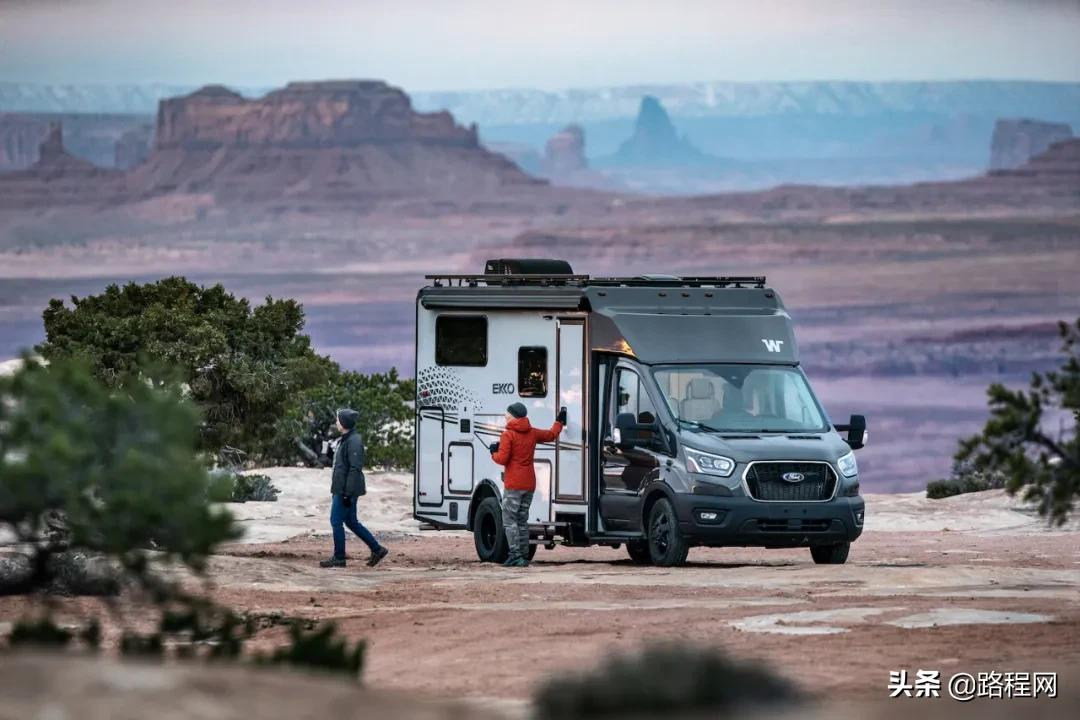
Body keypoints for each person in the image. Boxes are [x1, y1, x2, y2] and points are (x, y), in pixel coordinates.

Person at [489, 402, 566, 567]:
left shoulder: (508, 435)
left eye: (507, 413)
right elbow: (551, 435)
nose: (505, 415)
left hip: (514, 485)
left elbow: (502, 459)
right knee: (522, 520)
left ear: (513, 416)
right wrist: (559, 422)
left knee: (509, 521)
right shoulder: (532, 432)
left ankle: (515, 555)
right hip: (529, 483)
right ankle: (523, 555)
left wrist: (493, 452)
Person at [320, 408, 389, 569]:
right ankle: (377, 549)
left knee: (336, 521)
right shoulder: (345, 439)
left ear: (344, 422)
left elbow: (354, 469)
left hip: (345, 490)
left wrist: (347, 494)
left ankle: (339, 558)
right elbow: (341, 463)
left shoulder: (354, 441)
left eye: (338, 420)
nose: (336, 422)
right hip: (341, 488)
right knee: (351, 522)